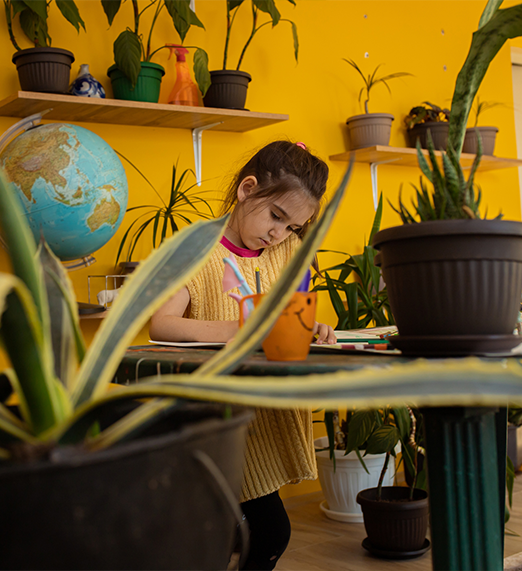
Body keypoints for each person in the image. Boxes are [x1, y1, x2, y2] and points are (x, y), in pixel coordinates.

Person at [150, 140, 337, 570]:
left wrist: (315, 330)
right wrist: (239, 330)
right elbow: (162, 325)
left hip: (264, 415)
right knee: (268, 532)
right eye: (276, 216)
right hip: (217, 414)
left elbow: (290, 320)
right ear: (247, 189)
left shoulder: (288, 253)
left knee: (255, 531)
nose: (279, 234)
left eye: (292, 227)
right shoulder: (197, 249)